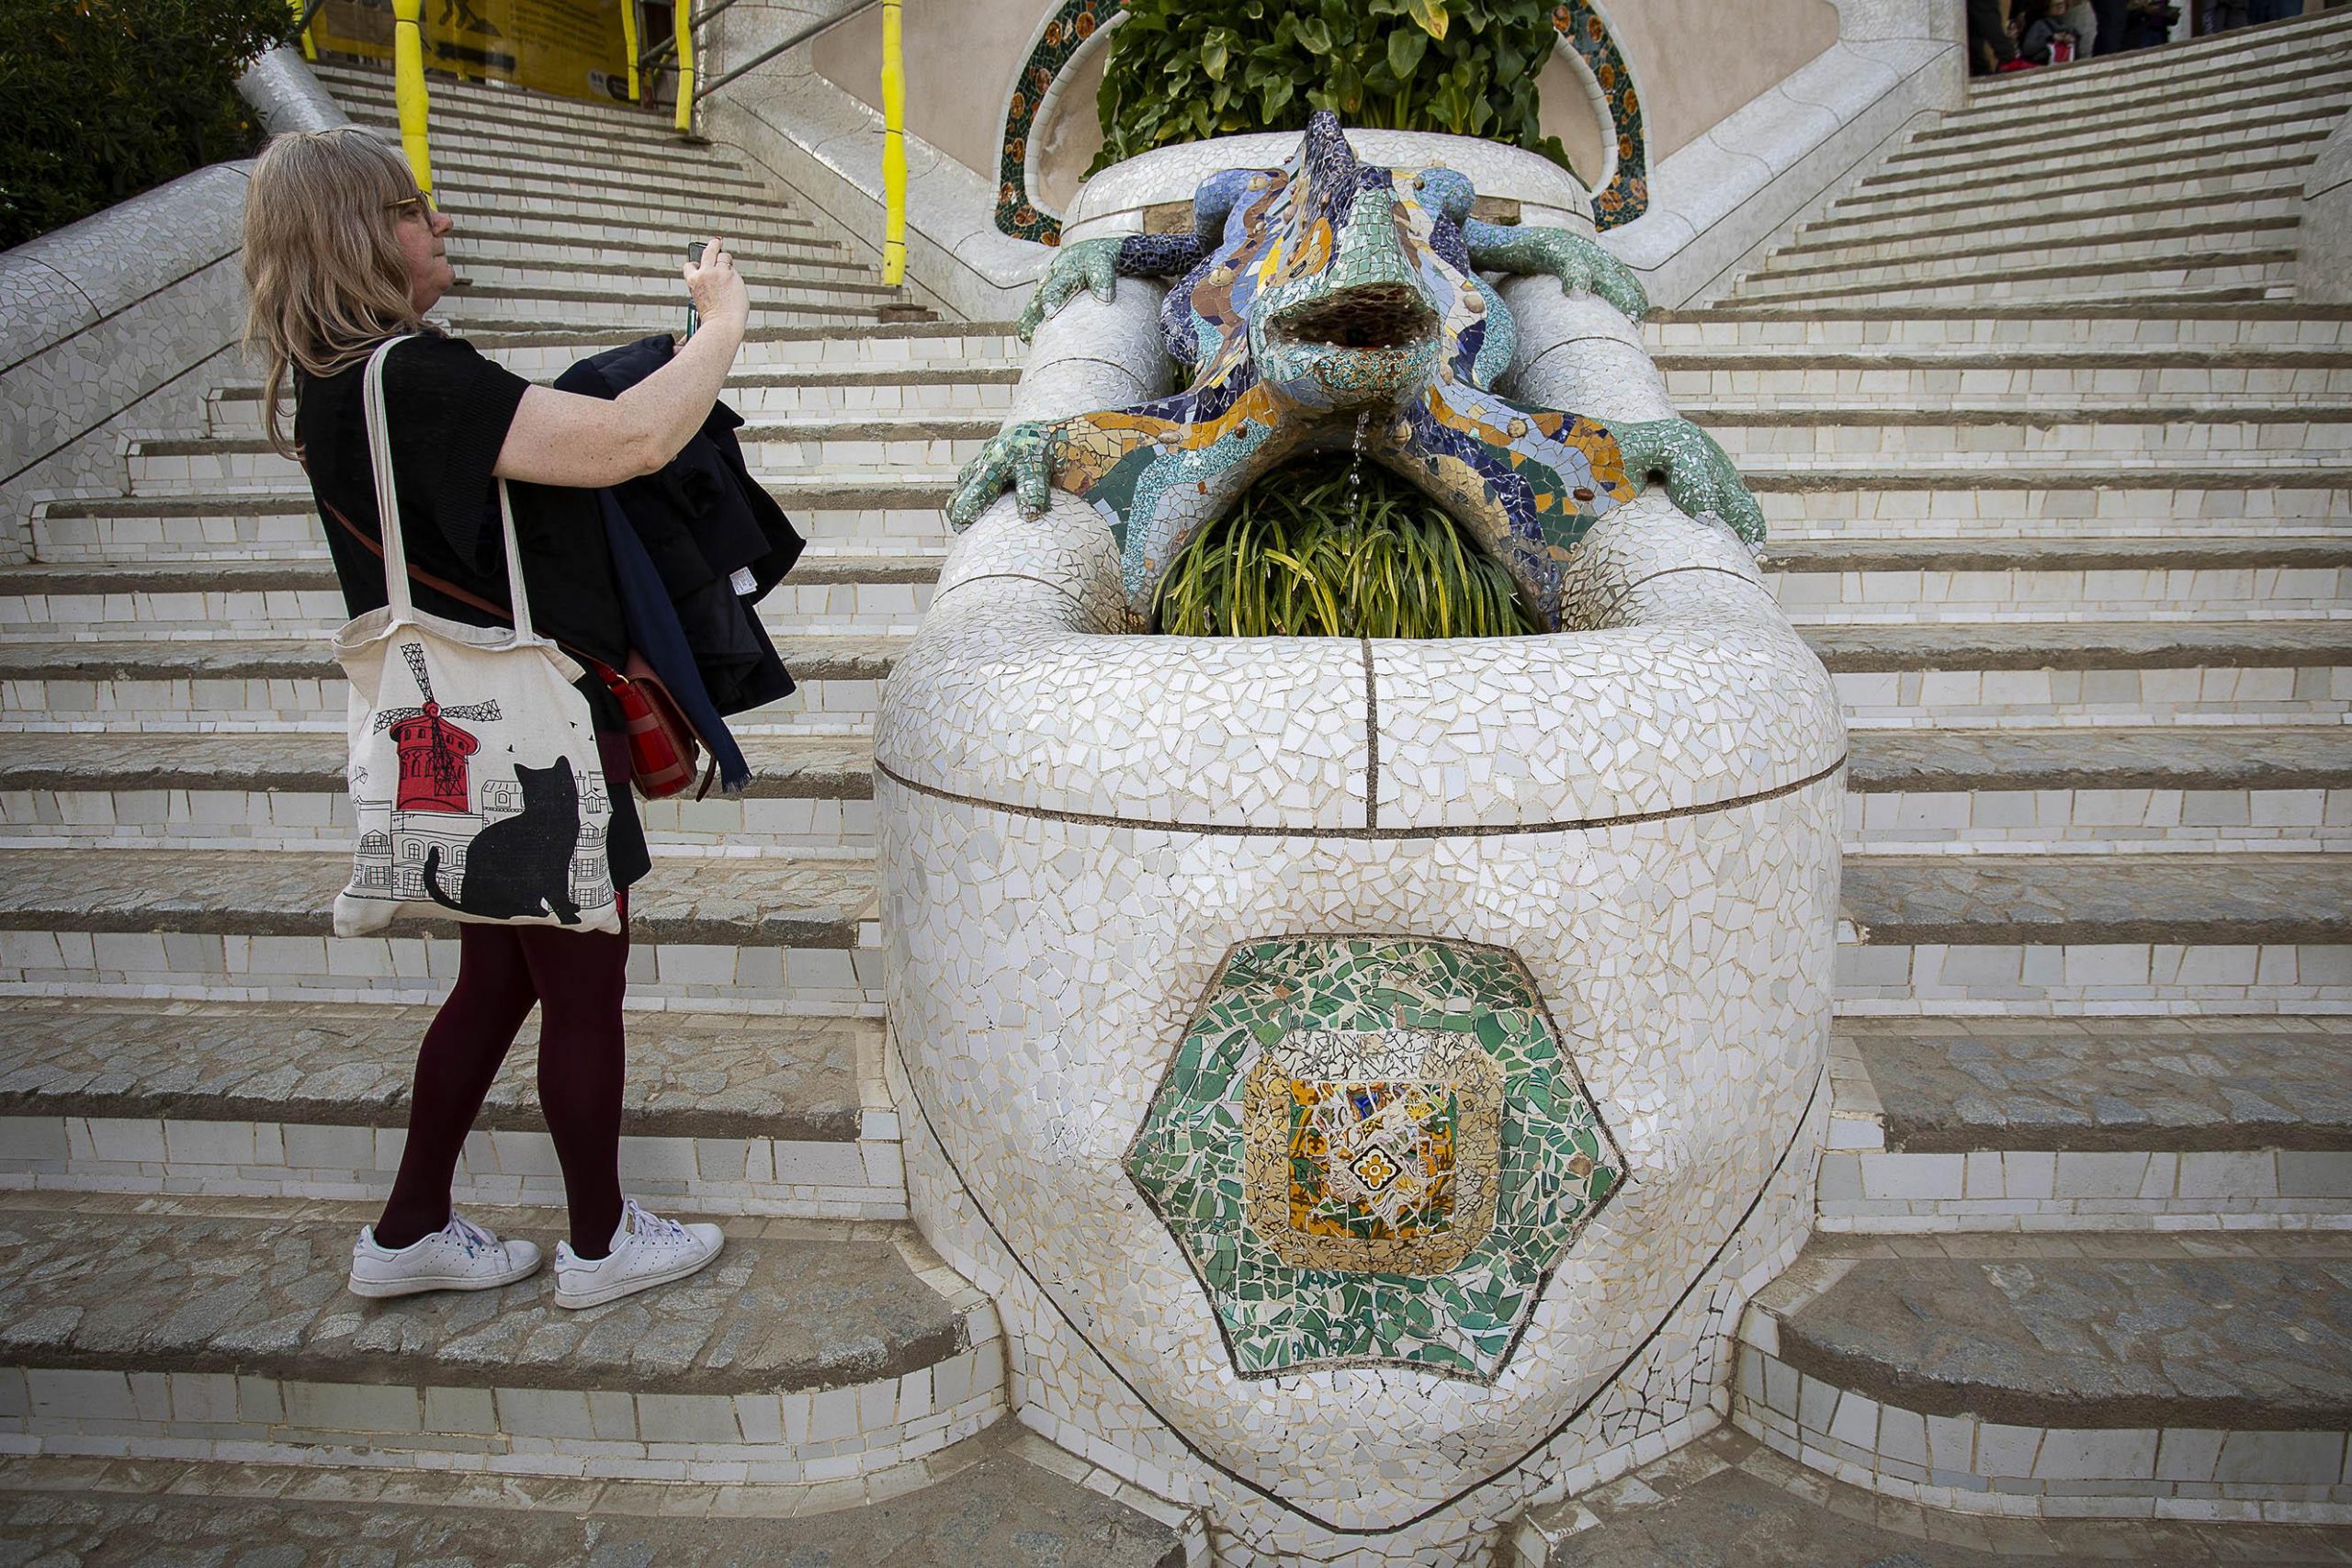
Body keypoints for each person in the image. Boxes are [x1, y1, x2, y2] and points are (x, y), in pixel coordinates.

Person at [241, 127, 749, 1311]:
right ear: (363, 236)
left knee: (496, 980)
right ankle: (600, 1241)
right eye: (418, 210)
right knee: (581, 984)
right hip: (528, 737)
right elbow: (625, 444)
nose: (442, 227)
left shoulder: (336, 388)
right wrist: (719, 324)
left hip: (445, 732)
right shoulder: (416, 378)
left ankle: (411, 1227)